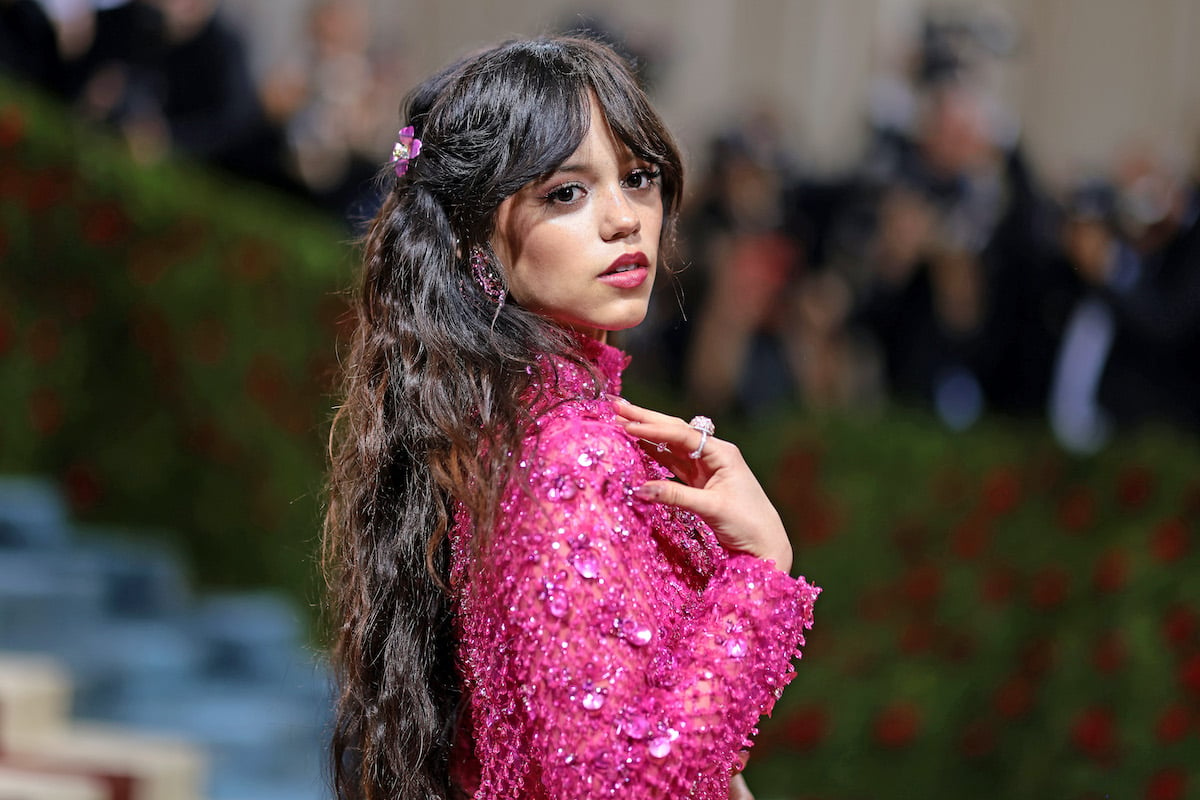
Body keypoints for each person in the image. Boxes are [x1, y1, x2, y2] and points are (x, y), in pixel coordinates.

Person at [323, 36, 819, 800]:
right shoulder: (567, 455)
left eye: (639, 177)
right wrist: (759, 575)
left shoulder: (505, 430)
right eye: (566, 192)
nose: (624, 219)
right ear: (473, 239)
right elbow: (614, 786)